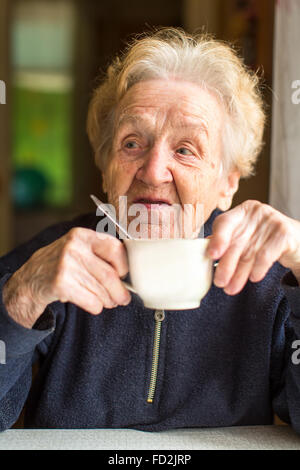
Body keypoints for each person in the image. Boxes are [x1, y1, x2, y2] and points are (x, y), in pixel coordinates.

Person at [1, 27, 300, 432]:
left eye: (185, 149)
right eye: (131, 144)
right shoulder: (47, 264)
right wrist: (21, 299)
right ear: (106, 168)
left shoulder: (270, 281)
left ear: (228, 182)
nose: (154, 171)